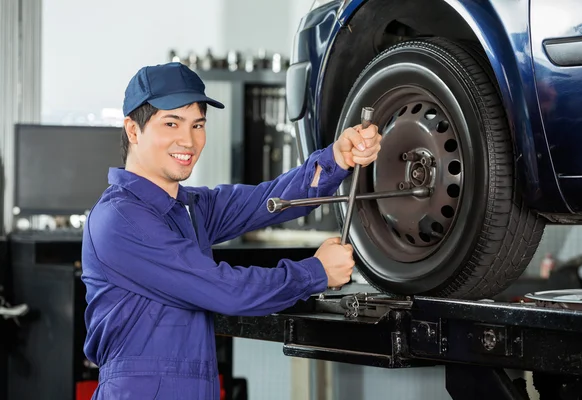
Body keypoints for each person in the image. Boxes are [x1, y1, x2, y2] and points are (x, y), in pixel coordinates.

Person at [81, 62, 381, 399]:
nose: (188, 140)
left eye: (198, 125)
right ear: (133, 131)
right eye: (171, 123)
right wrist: (316, 272)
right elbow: (226, 290)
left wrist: (337, 160)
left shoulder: (189, 208)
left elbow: (268, 199)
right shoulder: (120, 219)